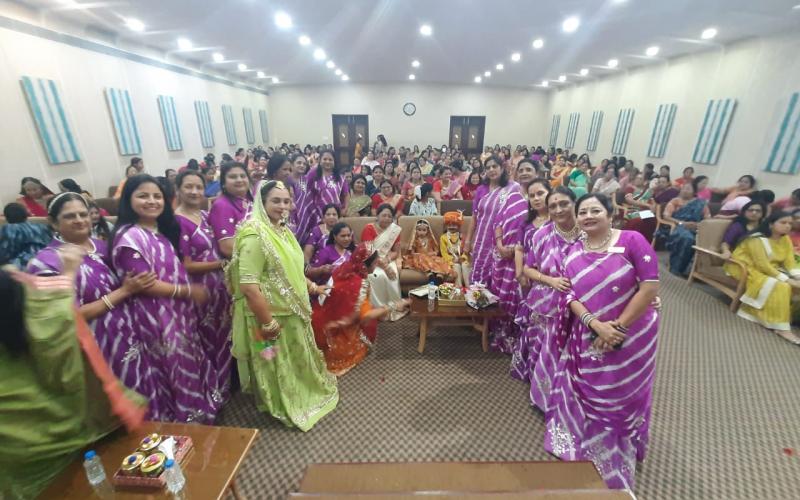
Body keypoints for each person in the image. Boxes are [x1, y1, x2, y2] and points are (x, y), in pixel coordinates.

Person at [0, 255, 146, 499]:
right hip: (70, 434)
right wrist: (69, 270)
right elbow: (60, 313)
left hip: (18, 454)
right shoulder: (41, 315)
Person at [545, 193, 660, 490]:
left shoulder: (633, 240)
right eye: (583, 211)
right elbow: (569, 295)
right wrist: (596, 325)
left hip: (633, 337)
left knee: (620, 393)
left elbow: (649, 287)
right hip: (588, 334)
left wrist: (616, 329)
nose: (588, 216)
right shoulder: (572, 251)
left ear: (610, 214)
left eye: (596, 210)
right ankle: (586, 449)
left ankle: (616, 458)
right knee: (588, 389)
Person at [26, 192, 159, 413]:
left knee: (142, 391)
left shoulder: (103, 246)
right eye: (70, 216)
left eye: (83, 214)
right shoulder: (45, 263)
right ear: (53, 222)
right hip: (95, 344)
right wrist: (124, 291)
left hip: (129, 333)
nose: (79, 220)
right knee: (113, 403)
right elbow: (66, 315)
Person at [227, 180, 339, 430]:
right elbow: (248, 286)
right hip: (266, 316)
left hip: (292, 311)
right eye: (275, 201)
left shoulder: (281, 229)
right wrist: (268, 322)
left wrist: (312, 287)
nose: (282, 206)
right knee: (271, 360)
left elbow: (291, 271)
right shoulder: (255, 235)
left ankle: (299, 393)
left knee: (296, 359)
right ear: (262, 202)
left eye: (286, 201)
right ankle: (277, 403)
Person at [110, 174, 221, 422]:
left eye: (157, 196)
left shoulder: (157, 231)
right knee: (173, 366)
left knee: (188, 359)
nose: (151, 201)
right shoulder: (130, 237)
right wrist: (186, 291)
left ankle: (200, 411)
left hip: (176, 311)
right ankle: (185, 420)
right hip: (155, 316)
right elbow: (143, 283)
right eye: (143, 195)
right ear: (128, 200)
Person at [512, 187, 580, 410]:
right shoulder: (542, 234)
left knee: (570, 352)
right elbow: (529, 270)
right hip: (545, 303)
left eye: (563, 204)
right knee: (543, 350)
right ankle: (543, 396)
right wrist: (551, 281)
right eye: (553, 206)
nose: (558, 209)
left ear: (574, 202)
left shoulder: (587, 234)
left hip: (580, 304)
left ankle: (566, 398)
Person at [174, 171, 232, 405]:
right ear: (178, 189)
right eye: (189, 187)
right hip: (199, 290)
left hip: (219, 288)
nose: (195, 192)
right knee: (206, 340)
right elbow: (186, 264)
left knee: (224, 335)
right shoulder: (178, 222)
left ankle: (225, 387)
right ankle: (212, 390)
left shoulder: (206, 215)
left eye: (199, 187)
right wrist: (222, 264)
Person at [311, 244, 409, 375]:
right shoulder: (359, 284)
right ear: (365, 265)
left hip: (322, 317)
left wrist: (385, 267)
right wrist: (395, 305)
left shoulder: (346, 267)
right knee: (362, 341)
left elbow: (372, 258)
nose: (375, 267)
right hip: (335, 330)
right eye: (374, 264)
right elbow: (367, 316)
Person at [466, 155, 528, 353]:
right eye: (488, 167)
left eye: (495, 166)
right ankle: (478, 322)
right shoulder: (482, 190)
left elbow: (518, 218)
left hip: (499, 245)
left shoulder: (514, 188)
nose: (492, 170)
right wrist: (468, 240)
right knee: (478, 281)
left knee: (495, 285)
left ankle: (493, 326)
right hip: (481, 241)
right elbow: (474, 217)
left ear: (502, 168)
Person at [724, 211, 800, 343]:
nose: (788, 226)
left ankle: (784, 318)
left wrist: (797, 278)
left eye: (790, 223)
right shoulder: (756, 239)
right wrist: (788, 280)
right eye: (783, 222)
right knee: (782, 285)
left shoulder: (785, 239)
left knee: (793, 285)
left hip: (771, 268)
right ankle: (782, 328)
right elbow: (762, 265)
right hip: (744, 267)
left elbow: (789, 261)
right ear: (771, 224)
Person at [360, 204, 406, 321]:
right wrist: (385, 266)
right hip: (371, 260)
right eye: (384, 215)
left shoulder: (394, 230)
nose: (386, 218)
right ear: (377, 216)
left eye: (389, 216)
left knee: (392, 276)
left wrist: (388, 259)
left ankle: (393, 308)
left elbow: (395, 252)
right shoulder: (369, 228)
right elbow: (369, 252)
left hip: (387, 258)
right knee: (375, 276)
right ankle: (377, 309)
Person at [296, 150, 349, 246]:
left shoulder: (340, 178)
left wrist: (345, 209)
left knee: (334, 238)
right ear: (320, 160)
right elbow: (304, 191)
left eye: (330, 159)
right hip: (316, 214)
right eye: (325, 159)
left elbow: (346, 194)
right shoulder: (313, 174)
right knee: (317, 240)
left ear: (334, 162)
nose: (327, 161)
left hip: (334, 214)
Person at [664, 182, 711, 276]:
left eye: (688, 188)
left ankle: (699, 273)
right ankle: (677, 267)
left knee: (707, 241)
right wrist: (682, 223)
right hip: (679, 226)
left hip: (697, 228)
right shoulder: (675, 201)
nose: (685, 190)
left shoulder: (701, 203)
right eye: (683, 188)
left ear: (694, 191)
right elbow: (666, 216)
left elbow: (708, 217)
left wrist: (699, 225)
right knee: (688, 239)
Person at [209, 162, 253, 258]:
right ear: (223, 183)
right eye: (233, 177)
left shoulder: (250, 200)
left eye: (243, 176)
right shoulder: (221, 206)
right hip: (245, 265)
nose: (239, 180)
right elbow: (227, 248)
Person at [0, 203, 51, 269]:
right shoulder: (41, 227)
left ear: (6, 217)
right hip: (47, 260)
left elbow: (5, 252)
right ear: (26, 215)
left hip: (23, 265)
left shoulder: (9, 229)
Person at [440, 211, 472, 287]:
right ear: (446, 226)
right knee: (456, 266)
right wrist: (452, 259)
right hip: (450, 260)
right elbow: (443, 253)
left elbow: (466, 250)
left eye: (454, 225)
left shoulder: (462, 236)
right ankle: (459, 287)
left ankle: (469, 287)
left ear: (458, 226)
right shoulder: (443, 237)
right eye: (449, 225)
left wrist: (463, 257)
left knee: (464, 265)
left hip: (462, 258)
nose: (452, 227)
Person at [621, 173, 657, 241]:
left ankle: (645, 242)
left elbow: (652, 200)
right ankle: (630, 240)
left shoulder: (648, 191)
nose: (638, 180)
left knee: (652, 218)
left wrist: (653, 206)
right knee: (638, 221)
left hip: (645, 211)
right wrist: (647, 205)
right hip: (632, 211)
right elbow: (630, 201)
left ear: (644, 181)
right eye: (637, 178)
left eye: (640, 179)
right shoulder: (630, 188)